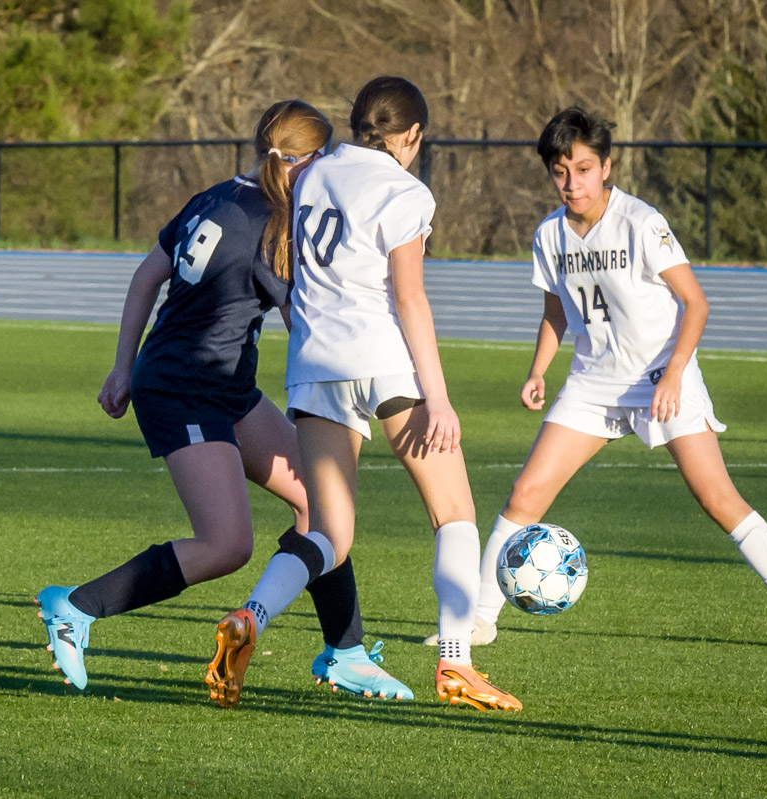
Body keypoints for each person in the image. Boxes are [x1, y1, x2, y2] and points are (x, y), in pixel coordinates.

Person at [206, 76, 523, 711]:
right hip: (383, 364)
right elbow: (409, 298)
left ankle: (252, 617)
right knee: (454, 515)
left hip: (314, 364)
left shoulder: (314, 172)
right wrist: (439, 397)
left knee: (329, 533)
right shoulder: (407, 191)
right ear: (412, 137)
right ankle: (456, 664)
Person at [470, 106, 767, 652]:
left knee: (716, 497)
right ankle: (478, 620)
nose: (572, 182)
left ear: (607, 167)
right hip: (593, 384)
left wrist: (675, 375)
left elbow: (696, 304)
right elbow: (557, 312)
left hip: (663, 376)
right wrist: (538, 370)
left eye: (584, 169)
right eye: (560, 171)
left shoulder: (641, 221)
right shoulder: (549, 235)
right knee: (527, 491)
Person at [35, 100, 336, 691]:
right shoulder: (275, 223)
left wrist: (122, 367)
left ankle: (342, 652)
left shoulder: (217, 195)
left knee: (323, 505)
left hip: (222, 385)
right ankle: (75, 607)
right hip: (184, 388)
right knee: (227, 544)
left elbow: (148, 273)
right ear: (309, 162)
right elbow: (304, 325)